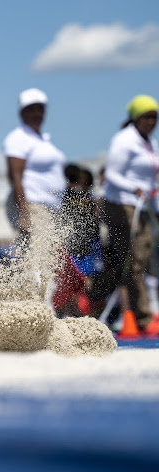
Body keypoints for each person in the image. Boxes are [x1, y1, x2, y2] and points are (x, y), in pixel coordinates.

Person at [87, 95, 159, 334]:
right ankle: (142, 317)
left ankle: (136, 308)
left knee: (144, 257)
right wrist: (133, 187)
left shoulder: (149, 142)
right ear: (135, 118)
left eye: (154, 117)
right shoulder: (124, 140)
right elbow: (112, 175)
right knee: (134, 258)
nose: (151, 121)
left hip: (141, 204)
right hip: (120, 204)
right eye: (146, 117)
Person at [3, 88, 67, 238]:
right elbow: (15, 177)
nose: (36, 113)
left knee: (51, 256)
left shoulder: (42, 140)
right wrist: (25, 213)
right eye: (30, 109)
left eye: (40, 108)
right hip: (34, 206)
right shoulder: (18, 138)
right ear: (22, 112)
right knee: (40, 254)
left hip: (52, 206)